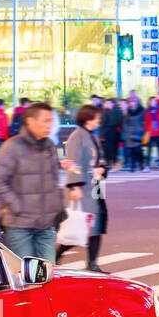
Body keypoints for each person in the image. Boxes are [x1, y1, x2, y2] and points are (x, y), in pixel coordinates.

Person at [0, 102, 70, 265]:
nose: (49, 125)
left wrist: (58, 212)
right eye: (45, 120)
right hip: (20, 225)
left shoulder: (49, 145)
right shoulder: (12, 146)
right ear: (30, 121)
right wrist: (18, 206)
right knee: (26, 275)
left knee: (48, 273)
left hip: (47, 224)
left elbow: (53, 182)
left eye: (51, 121)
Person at [59, 105, 107, 270]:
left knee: (97, 223)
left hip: (94, 185)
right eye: (96, 118)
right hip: (82, 187)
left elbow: (101, 158)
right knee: (79, 224)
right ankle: (56, 255)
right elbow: (73, 163)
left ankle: (92, 262)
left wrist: (102, 168)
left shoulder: (91, 135)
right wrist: (74, 186)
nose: (98, 121)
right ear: (88, 118)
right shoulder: (77, 136)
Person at [122, 95, 147, 172]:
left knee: (138, 150)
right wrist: (127, 129)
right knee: (132, 150)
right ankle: (133, 166)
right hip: (130, 134)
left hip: (139, 133)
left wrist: (142, 130)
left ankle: (142, 164)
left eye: (133, 101)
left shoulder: (142, 110)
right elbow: (124, 123)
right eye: (131, 102)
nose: (132, 103)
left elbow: (145, 121)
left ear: (137, 102)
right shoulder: (127, 111)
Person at [100, 97, 123, 167]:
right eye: (106, 103)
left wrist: (118, 130)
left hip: (114, 131)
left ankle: (113, 162)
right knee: (106, 148)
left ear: (113, 104)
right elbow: (102, 124)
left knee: (113, 148)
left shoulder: (117, 111)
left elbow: (120, 122)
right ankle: (108, 162)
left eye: (109, 103)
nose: (107, 105)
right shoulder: (105, 112)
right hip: (106, 132)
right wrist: (101, 135)